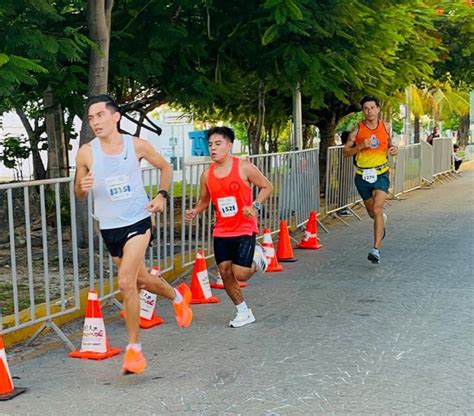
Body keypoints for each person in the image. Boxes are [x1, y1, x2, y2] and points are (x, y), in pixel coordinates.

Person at [74, 94, 193, 374]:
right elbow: (78, 191)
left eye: (100, 115)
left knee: (127, 282)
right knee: (141, 279)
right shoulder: (86, 152)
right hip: (109, 227)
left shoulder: (136, 145)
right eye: (91, 118)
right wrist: (83, 185)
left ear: (115, 116)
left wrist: (162, 196)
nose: (95, 122)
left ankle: (134, 351)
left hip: (138, 220)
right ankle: (177, 297)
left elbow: (165, 167)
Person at [185, 126, 272, 328]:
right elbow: (204, 201)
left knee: (240, 273)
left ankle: (258, 256)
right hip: (222, 229)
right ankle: (243, 311)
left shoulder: (243, 167)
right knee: (224, 271)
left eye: (218, 144)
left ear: (229, 146)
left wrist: (254, 205)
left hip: (244, 227)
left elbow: (267, 186)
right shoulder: (207, 175)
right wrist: (195, 211)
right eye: (210, 145)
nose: (213, 149)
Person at [343, 95, 398, 263]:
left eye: (372, 108)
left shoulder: (386, 127)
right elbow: (345, 152)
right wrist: (360, 146)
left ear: (378, 109)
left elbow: (390, 144)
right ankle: (380, 221)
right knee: (371, 212)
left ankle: (376, 250)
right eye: (366, 108)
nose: (369, 111)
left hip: (381, 173)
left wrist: (394, 148)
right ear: (363, 111)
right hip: (362, 176)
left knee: (377, 208)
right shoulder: (357, 131)